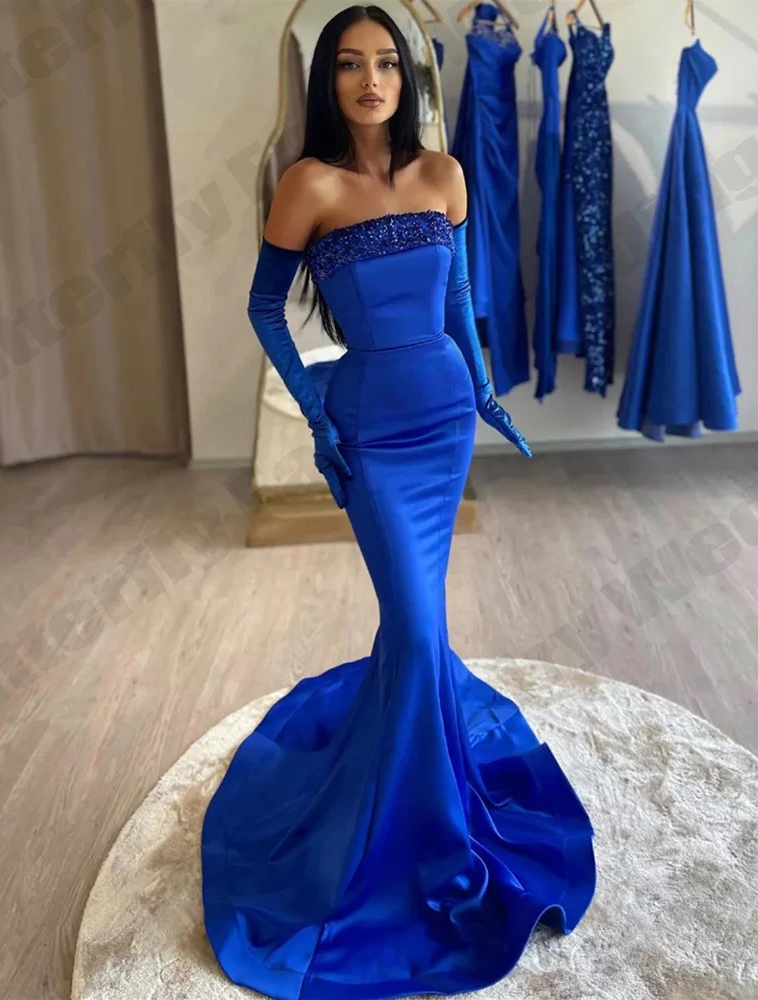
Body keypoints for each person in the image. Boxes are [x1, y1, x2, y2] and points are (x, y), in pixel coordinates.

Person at [200, 7, 597, 999]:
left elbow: (457, 297)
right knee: (417, 630)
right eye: (349, 64)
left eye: (386, 62)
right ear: (327, 81)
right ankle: (412, 838)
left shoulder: (443, 174)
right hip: (370, 426)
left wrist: (485, 391)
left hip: (444, 418)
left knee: (419, 629)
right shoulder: (308, 185)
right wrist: (315, 412)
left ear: (409, 75)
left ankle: (429, 802)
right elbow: (263, 305)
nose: (370, 79)